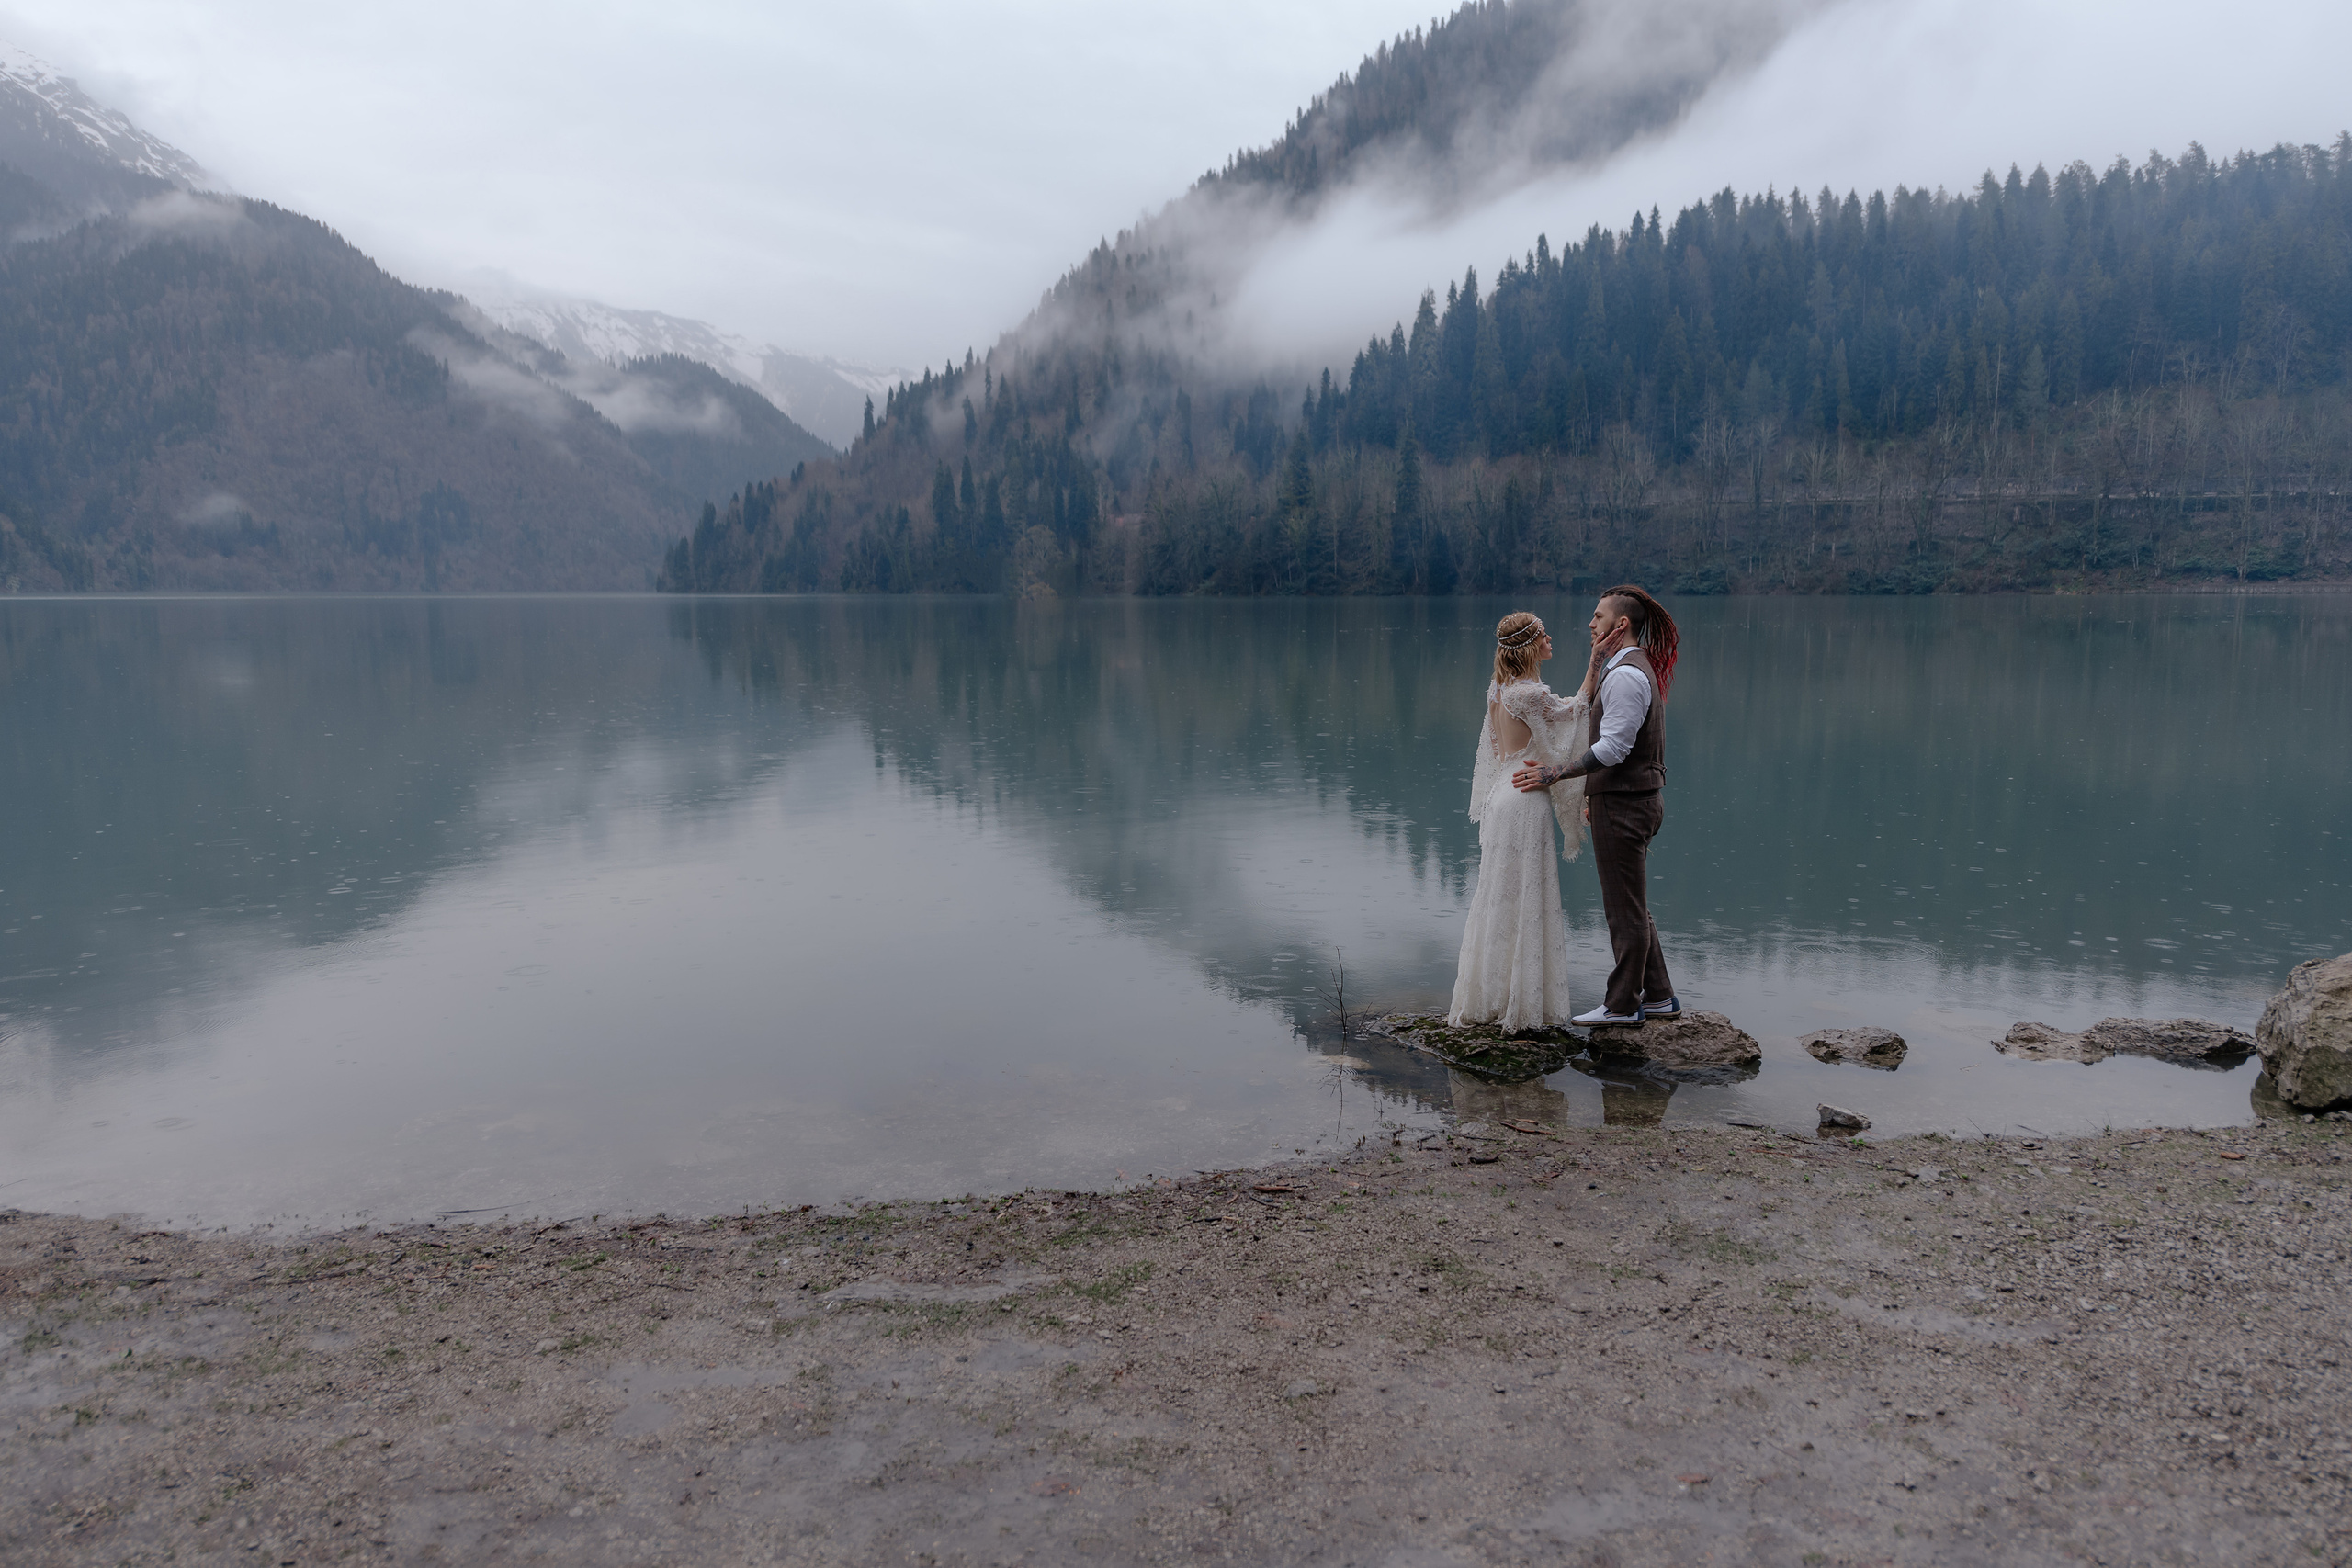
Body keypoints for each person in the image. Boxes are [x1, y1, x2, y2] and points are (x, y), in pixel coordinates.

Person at [1512, 586, 1681, 1027]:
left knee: (1622, 910)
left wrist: (1556, 774)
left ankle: (1623, 1005)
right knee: (1633, 904)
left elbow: (1614, 748)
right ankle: (1660, 996)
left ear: (1619, 624)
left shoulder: (1626, 675)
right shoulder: (1623, 667)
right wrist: (1593, 793)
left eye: (1598, 616)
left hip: (1627, 805)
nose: (1591, 623)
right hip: (1626, 799)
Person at [1444, 611, 1599, 1032]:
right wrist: (1596, 662)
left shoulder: (1499, 690)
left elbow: (1502, 748)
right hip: (1524, 800)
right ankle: (1519, 1006)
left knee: (1500, 897)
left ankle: (1492, 997)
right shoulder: (1529, 694)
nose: (1551, 638)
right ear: (1530, 645)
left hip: (1502, 796)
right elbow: (1577, 709)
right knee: (1525, 896)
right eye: (1543, 634)